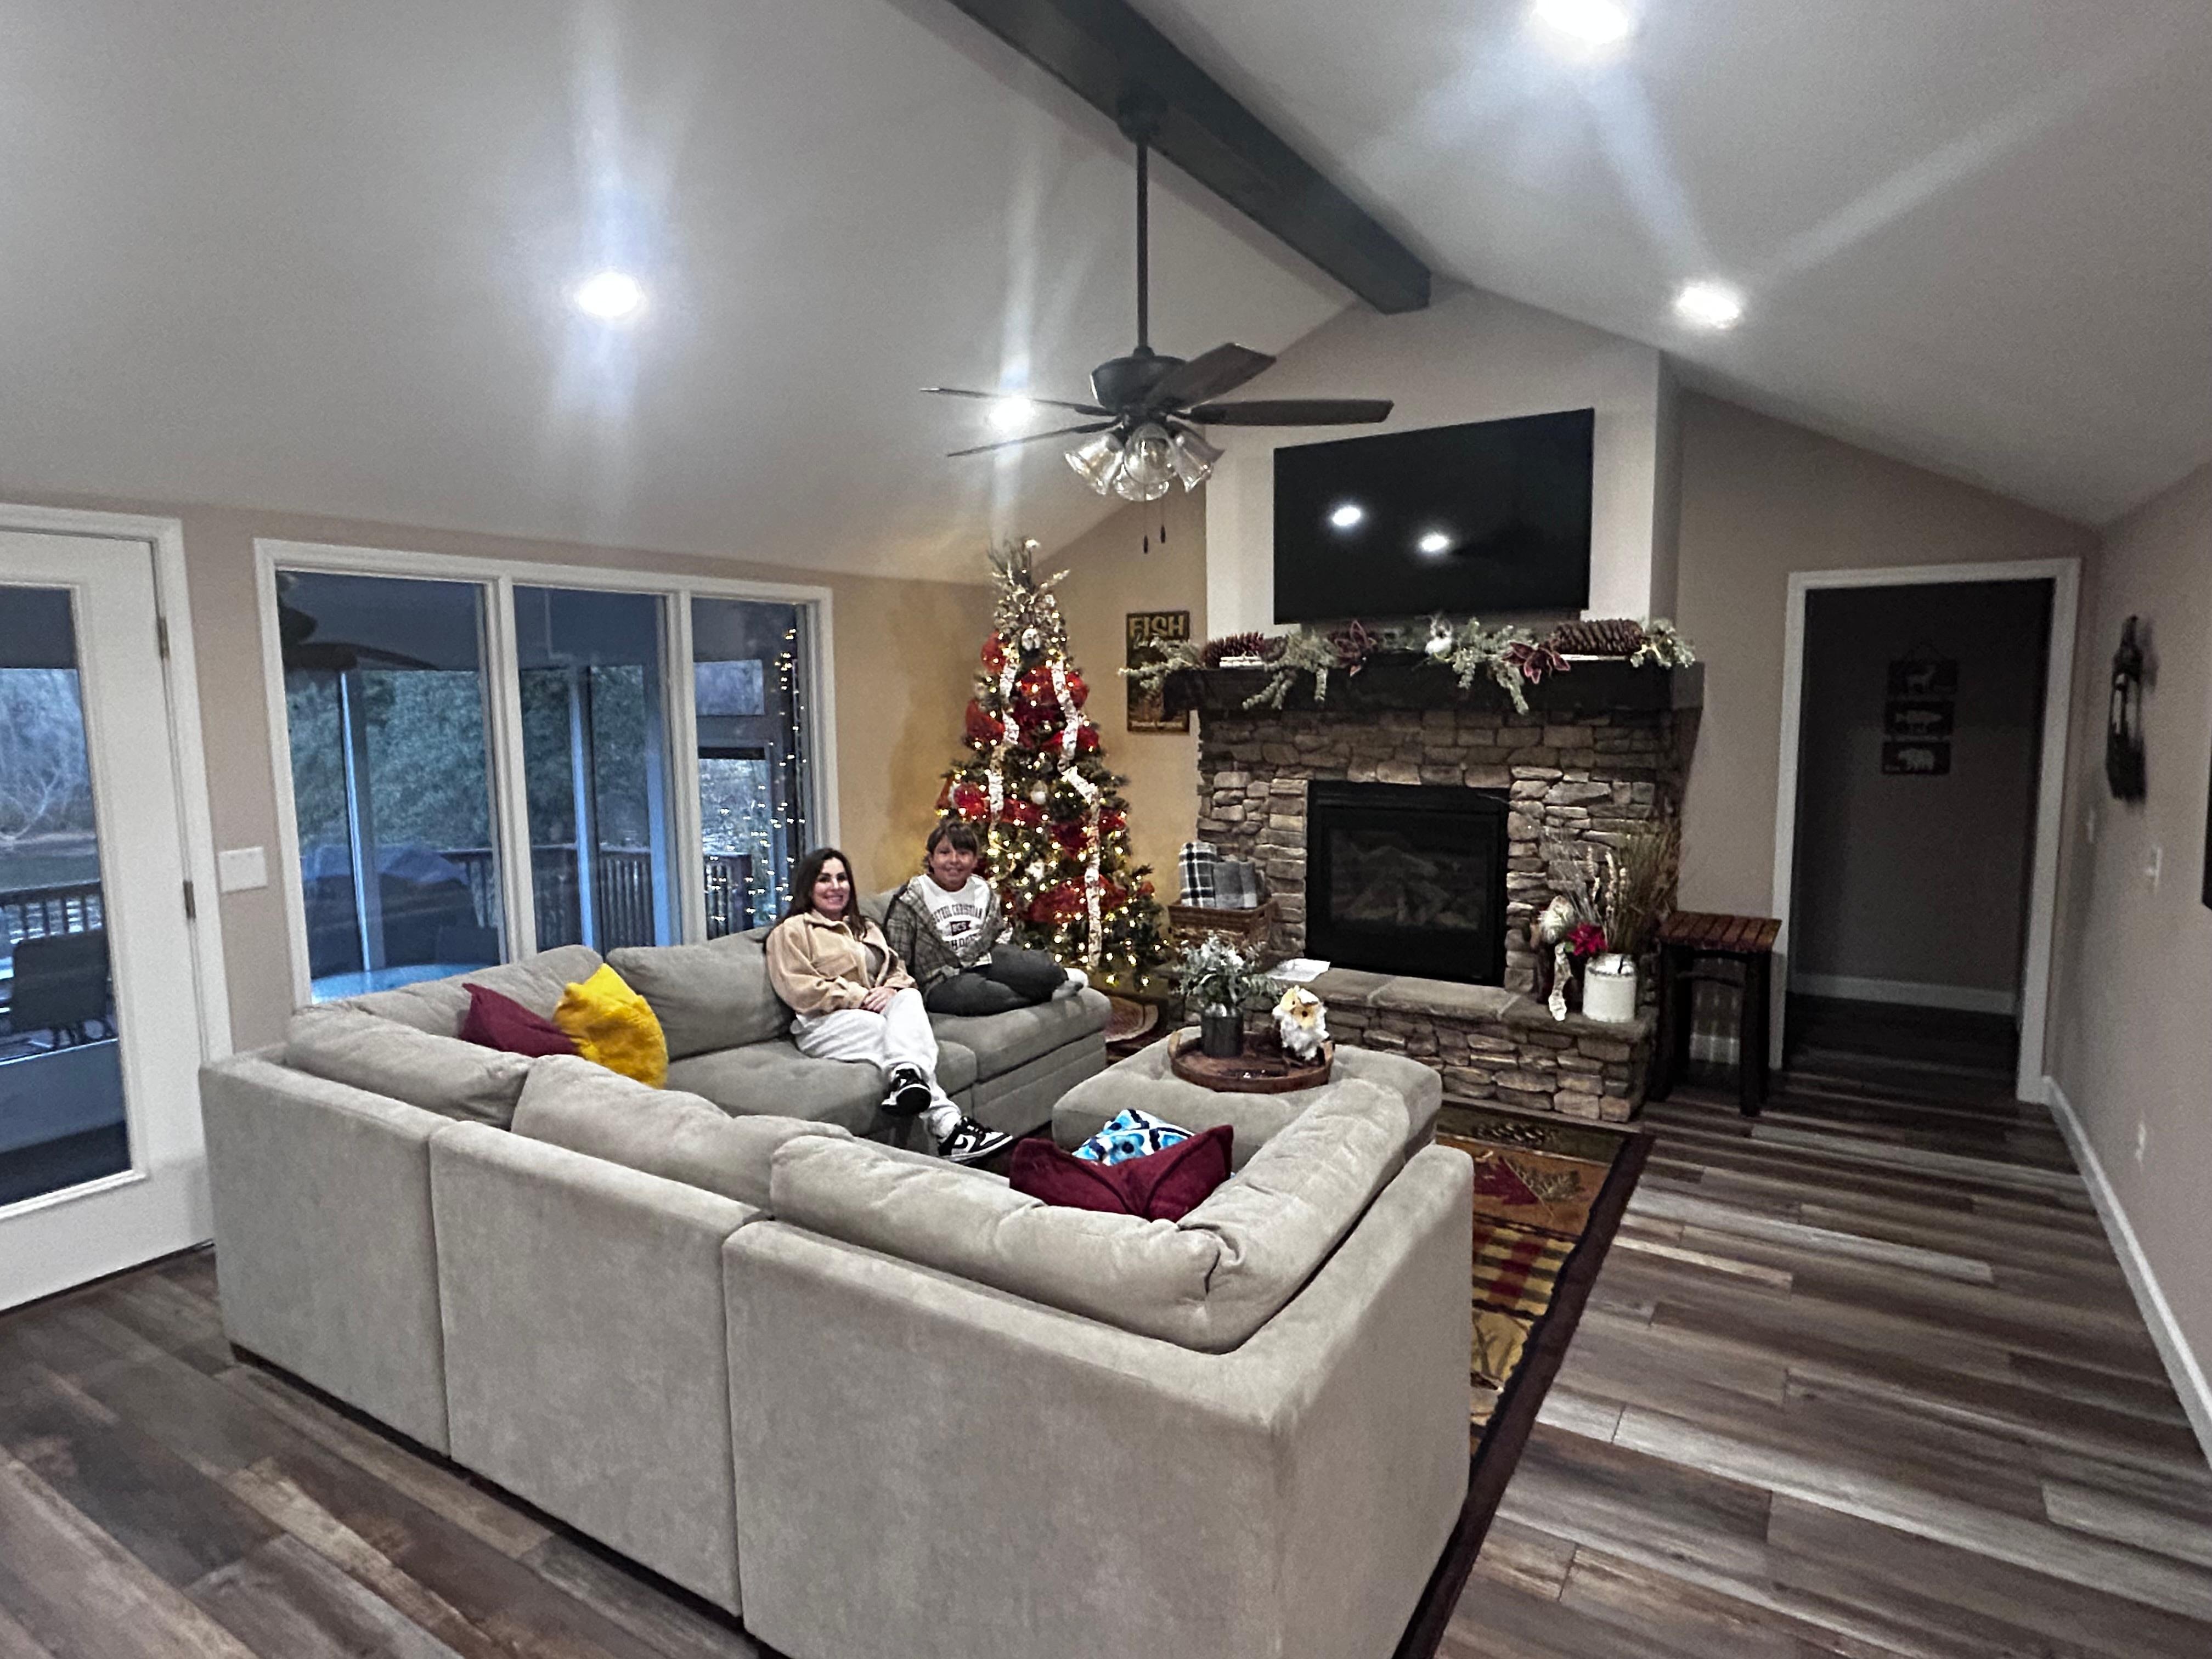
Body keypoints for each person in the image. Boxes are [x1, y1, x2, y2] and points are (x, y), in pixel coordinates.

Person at [764, 847, 1015, 1166]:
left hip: (875, 1008)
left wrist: (890, 989)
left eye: (842, 878)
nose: (836, 887)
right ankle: (950, 1127)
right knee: (885, 1031)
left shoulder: (864, 927)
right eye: (824, 879)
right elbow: (799, 989)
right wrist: (859, 997)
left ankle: (909, 1080)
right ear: (808, 887)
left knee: (909, 998)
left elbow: (899, 972)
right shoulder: (792, 932)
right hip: (823, 1022)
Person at [881, 821, 1088, 1016]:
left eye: (963, 853)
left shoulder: (982, 889)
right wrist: (898, 988)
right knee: (983, 995)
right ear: (931, 859)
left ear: (974, 860)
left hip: (986, 957)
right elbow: (897, 955)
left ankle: (1058, 979)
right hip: (940, 978)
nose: (954, 860)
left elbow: (999, 931)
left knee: (1043, 969)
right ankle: (1048, 995)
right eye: (945, 853)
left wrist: (1012, 963)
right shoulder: (910, 899)